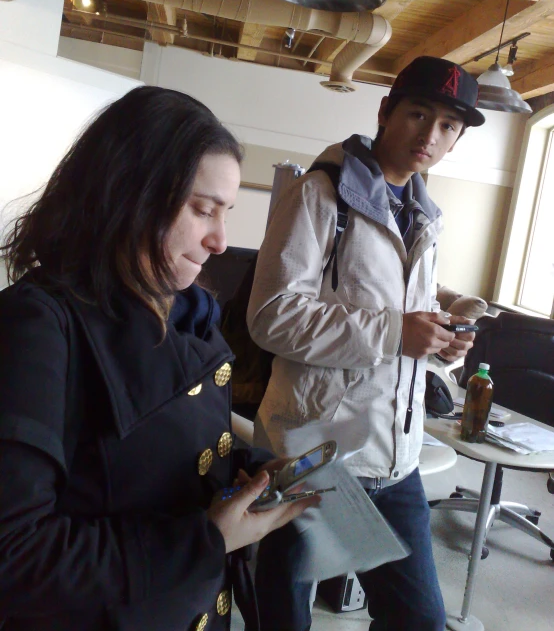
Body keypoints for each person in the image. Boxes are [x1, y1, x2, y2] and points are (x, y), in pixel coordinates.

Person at [0, 86, 317, 631]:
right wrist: (207, 540)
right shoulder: (38, 326)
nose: (220, 240)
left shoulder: (186, 312)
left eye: (227, 213)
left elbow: (152, 454)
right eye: (202, 210)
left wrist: (243, 475)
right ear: (128, 195)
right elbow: (16, 556)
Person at [247, 56, 484, 631]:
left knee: (418, 620)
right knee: (284, 618)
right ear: (385, 112)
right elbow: (271, 316)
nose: (430, 135)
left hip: (396, 461)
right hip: (312, 457)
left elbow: (398, 313)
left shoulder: (424, 215)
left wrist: (441, 344)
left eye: (448, 126)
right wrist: (396, 334)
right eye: (418, 114)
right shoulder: (319, 195)